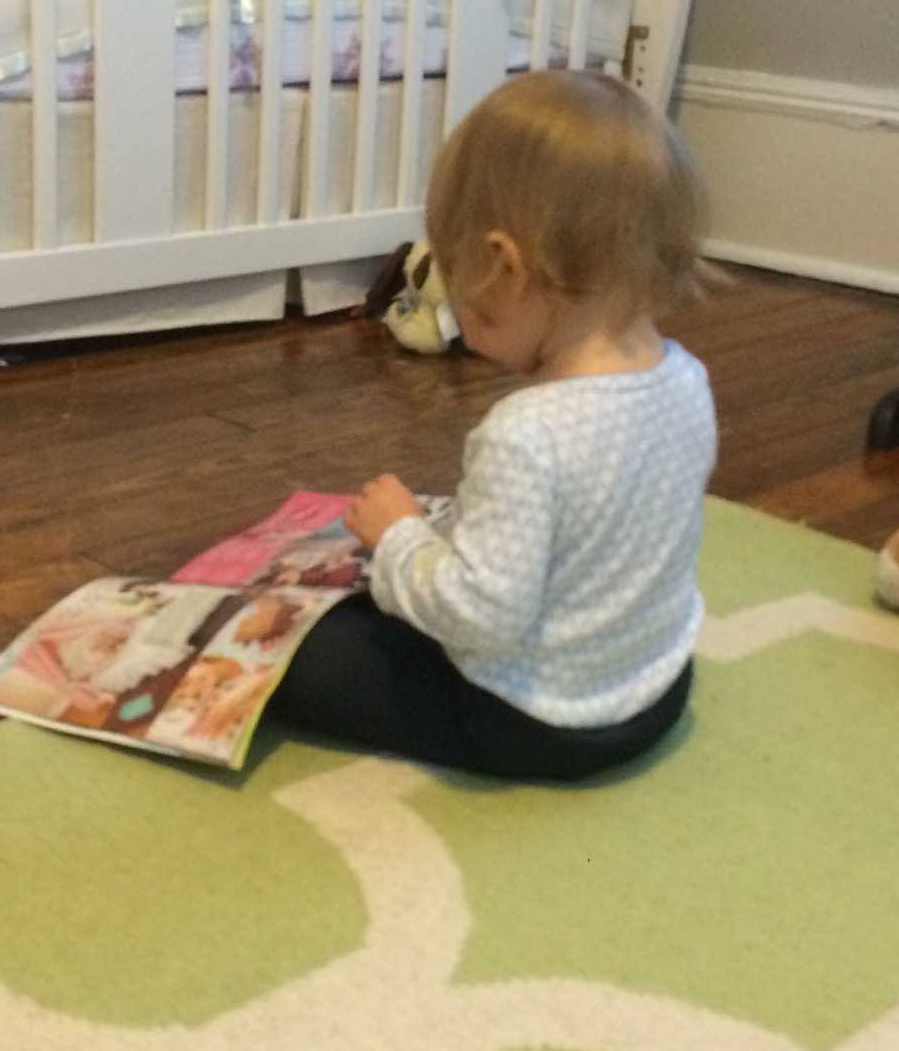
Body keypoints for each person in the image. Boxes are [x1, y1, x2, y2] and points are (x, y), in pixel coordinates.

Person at [266, 70, 717, 780]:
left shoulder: (527, 433)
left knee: (294, 649)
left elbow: (480, 618)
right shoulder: (686, 377)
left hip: (534, 720)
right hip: (656, 688)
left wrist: (398, 536)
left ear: (505, 266)